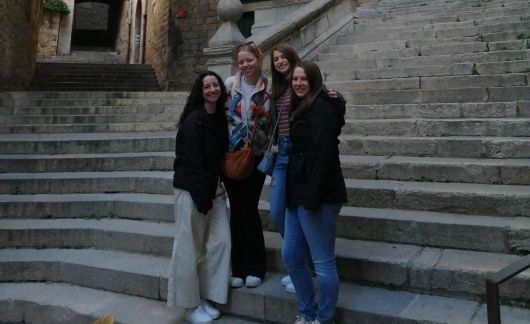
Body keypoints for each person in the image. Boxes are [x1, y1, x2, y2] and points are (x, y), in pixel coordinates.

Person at [282, 61, 347, 324]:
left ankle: (324, 317)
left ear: (314, 80)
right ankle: (307, 313)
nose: (298, 83)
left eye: (304, 79)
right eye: (295, 79)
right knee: (291, 256)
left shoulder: (322, 107)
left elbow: (324, 155)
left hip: (318, 195)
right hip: (297, 192)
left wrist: (312, 197)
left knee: (322, 261)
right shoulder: (301, 106)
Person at [167, 71, 230, 324]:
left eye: (216, 85)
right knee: (187, 249)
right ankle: (189, 305)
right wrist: (201, 197)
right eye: (207, 86)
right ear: (200, 91)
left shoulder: (219, 118)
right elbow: (192, 162)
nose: (213, 89)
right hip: (192, 192)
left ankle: (206, 296)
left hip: (214, 192)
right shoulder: (194, 121)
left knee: (221, 242)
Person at [224, 41, 272, 288]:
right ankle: (238, 268)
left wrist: (261, 116)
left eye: (249, 60)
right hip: (232, 156)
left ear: (258, 60)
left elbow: (276, 119)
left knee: (249, 209)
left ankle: (256, 267)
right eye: (241, 61)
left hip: (256, 155)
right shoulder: (229, 86)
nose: (245, 65)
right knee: (236, 211)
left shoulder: (269, 88)